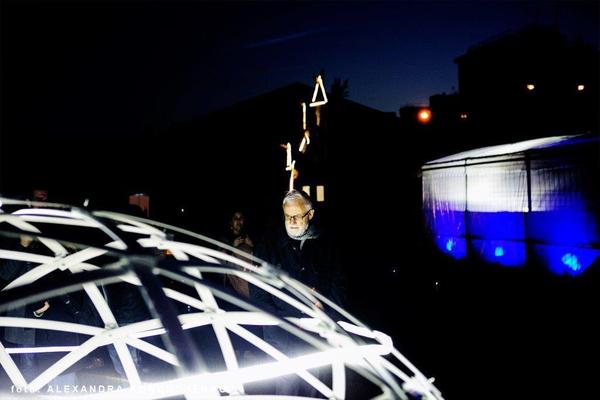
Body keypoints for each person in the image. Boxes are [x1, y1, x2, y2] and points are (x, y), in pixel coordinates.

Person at [252, 189, 346, 396]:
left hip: (317, 336)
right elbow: (258, 291)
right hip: (282, 338)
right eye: (287, 216)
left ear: (310, 214)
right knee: (287, 391)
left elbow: (339, 285)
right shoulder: (268, 245)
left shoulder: (327, 244)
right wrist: (277, 323)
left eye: (297, 216)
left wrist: (325, 307)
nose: (292, 221)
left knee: (316, 390)